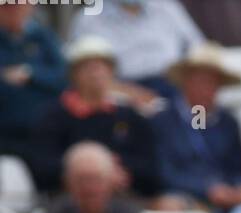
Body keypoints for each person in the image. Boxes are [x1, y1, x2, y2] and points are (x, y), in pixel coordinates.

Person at [31, 37, 161, 198]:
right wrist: (90, 172)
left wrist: (120, 172)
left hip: (125, 198)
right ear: (73, 75)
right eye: (87, 68)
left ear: (112, 72)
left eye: (101, 67)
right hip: (69, 201)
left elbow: (152, 167)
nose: (95, 74)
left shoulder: (130, 116)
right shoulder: (53, 116)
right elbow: (42, 166)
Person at [151, 42, 241, 213]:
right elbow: (162, 171)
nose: (206, 89)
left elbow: (238, 167)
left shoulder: (228, 123)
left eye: (212, 83)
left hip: (227, 198)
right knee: (170, 206)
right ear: (185, 82)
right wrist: (205, 189)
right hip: (183, 196)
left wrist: (240, 187)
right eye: (200, 81)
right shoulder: (163, 122)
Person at [69, 0, 204, 103]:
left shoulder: (168, 8)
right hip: (117, 96)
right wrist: (129, 93)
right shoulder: (88, 19)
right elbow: (80, 73)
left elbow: (199, 52)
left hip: (174, 89)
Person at [0, 1, 66, 174]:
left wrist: (32, 75)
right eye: (6, 5)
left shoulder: (43, 37)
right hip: (6, 136)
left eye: (19, 4)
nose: (13, 9)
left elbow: (64, 78)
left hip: (46, 134)